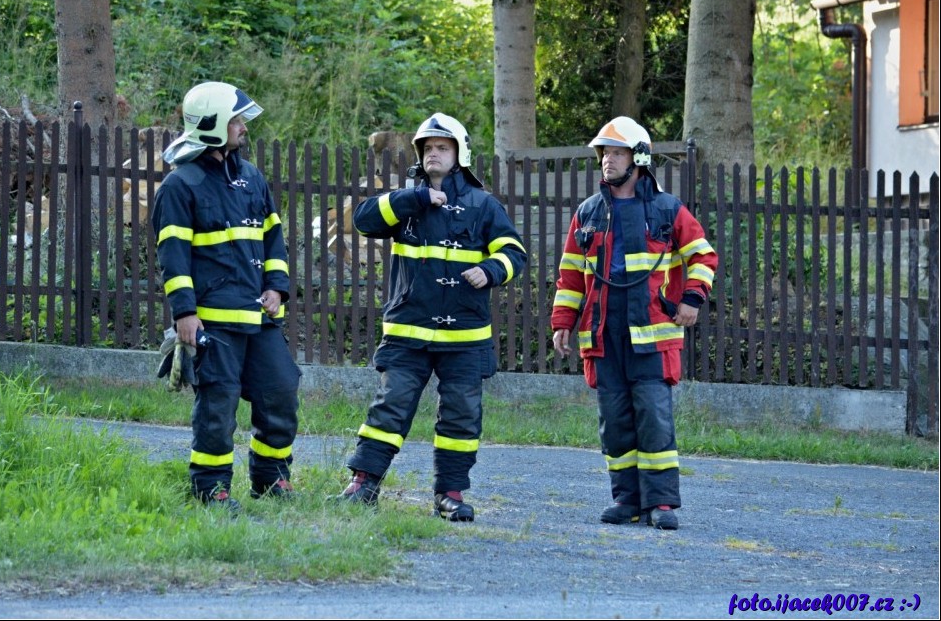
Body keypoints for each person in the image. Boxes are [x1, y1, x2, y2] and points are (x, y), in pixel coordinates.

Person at [338, 113, 527, 521]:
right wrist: (415, 199)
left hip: (465, 338)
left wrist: (492, 270)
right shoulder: (405, 203)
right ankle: (363, 484)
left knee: (461, 416)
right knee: (390, 407)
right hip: (408, 332)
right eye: (427, 149)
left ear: (459, 155)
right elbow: (363, 220)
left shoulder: (483, 204)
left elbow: (515, 253)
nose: (434, 154)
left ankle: (450, 494)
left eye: (442, 147)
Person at [551, 116, 718, 530]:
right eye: (604, 152)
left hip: (653, 339)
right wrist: (562, 322)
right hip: (604, 338)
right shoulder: (588, 213)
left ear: (639, 158)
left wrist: (693, 298)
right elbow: (571, 274)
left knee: (654, 418)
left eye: (617, 152)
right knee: (615, 422)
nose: (608, 160)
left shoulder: (666, 209)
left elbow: (702, 255)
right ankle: (626, 500)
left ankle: (661, 503)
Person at [152, 81, 301, 512]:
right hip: (213, 320)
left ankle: (271, 480)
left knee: (281, 390)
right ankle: (211, 487)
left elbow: (274, 239)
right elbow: (172, 257)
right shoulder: (181, 185)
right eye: (236, 119)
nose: (243, 127)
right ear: (214, 124)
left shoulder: (251, 176)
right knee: (218, 405)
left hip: (258, 318)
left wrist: (276, 287)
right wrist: (184, 314)